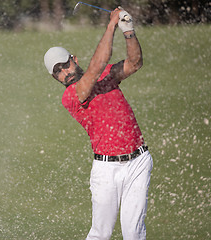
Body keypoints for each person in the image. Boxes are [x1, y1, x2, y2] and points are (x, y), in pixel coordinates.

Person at [43, 8, 153, 240]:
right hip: (107, 170)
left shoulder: (106, 75)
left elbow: (134, 63)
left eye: (65, 65)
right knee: (100, 234)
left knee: (134, 233)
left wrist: (128, 30)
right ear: (56, 79)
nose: (64, 72)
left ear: (74, 59)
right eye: (58, 73)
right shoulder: (72, 96)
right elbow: (97, 64)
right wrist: (112, 24)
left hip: (138, 162)